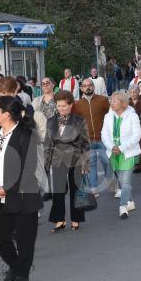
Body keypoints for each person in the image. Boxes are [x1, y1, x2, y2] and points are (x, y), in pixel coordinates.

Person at [0, 96, 46, 281]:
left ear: (6, 114)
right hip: (0, 196)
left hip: (22, 195)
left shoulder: (25, 135)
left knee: (25, 239)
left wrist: (8, 188)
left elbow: (28, 169)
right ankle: (15, 265)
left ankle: (22, 274)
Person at [45, 90, 90, 232]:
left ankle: (76, 219)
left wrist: (85, 162)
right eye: (58, 106)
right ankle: (59, 219)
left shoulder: (79, 121)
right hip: (57, 160)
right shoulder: (51, 121)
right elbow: (47, 143)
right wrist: (46, 164)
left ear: (71, 105)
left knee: (76, 190)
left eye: (64, 106)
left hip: (75, 159)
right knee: (58, 191)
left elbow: (86, 143)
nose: (61, 108)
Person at [101, 92, 141, 218]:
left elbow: (137, 135)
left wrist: (122, 148)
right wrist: (111, 147)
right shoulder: (108, 116)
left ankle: (123, 206)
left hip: (128, 152)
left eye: (114, 101)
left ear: (122, 103)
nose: (111, 102)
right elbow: (104, 134)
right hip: (113, 152)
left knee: (126, 182)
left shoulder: (132, 116)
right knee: (123, 181)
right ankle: (131, 202)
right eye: (111, 100)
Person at [73, 77, 110, 194]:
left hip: (103, 138)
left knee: (107, 162)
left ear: (93, 87)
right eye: (85, 85)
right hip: (87, 139)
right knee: (91, 163)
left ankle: (111, 182)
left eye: (90, 85)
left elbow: (110, 117)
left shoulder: (103, 100)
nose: (87, 87)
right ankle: (94, 188)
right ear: (81, 88)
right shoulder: (77, 104)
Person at [128, 86, 141, 173]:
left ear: (138, 92)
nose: (133, 94)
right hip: (131, 128)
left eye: (134, 92)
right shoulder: (127, 102)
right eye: (131, 92)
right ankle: (137, 166)